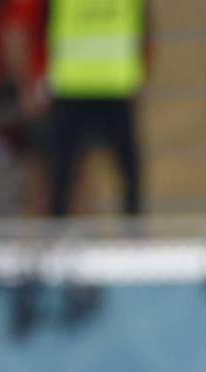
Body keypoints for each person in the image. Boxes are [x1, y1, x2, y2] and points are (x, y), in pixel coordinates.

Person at [46, 0, 148, 216]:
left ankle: (133, 232)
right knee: (63, 170)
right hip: (84, 85)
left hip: (93, 85)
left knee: (64, 170)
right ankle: (133, 232)